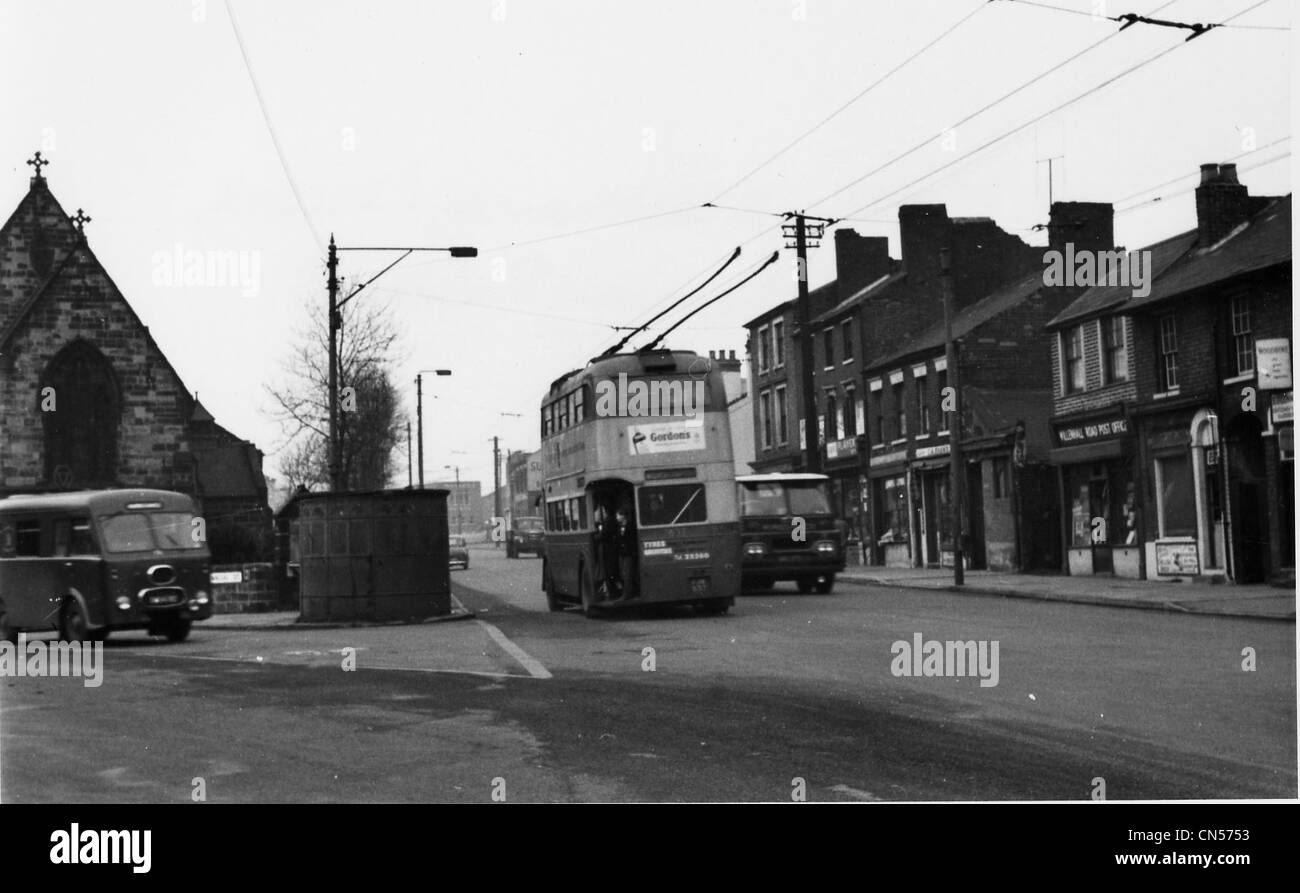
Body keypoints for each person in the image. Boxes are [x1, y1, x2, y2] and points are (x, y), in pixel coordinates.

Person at [614, 496, 637, 600]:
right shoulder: (619, 527)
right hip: (621, 553)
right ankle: (625, 592)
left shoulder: (630, 526)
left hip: (628, 553)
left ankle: (627, 594)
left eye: (618, 515)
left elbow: (631, 540)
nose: (617, 517)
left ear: (623, 516)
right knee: (623, 573)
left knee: (627, 574)